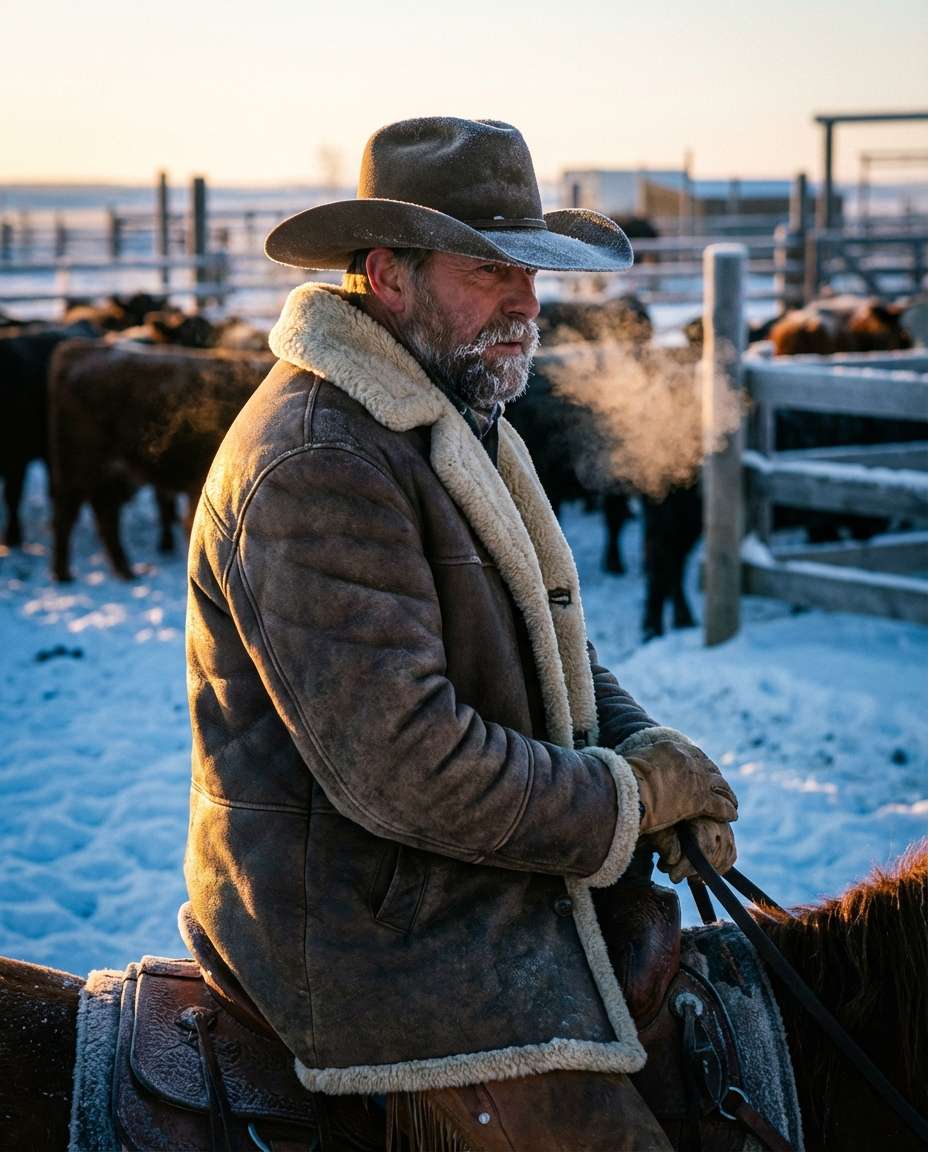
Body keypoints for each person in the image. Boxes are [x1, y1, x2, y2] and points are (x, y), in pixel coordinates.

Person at [184, 116, 738, 1150]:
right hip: (358, 922)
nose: (527, 301)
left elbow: (541, 642)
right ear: (388, 275)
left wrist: (639, 742)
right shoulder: (320, 461)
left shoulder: (448, 413)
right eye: (489, 269)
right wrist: (624, 800)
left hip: (447, 878)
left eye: (531, 269)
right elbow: (407, 766)